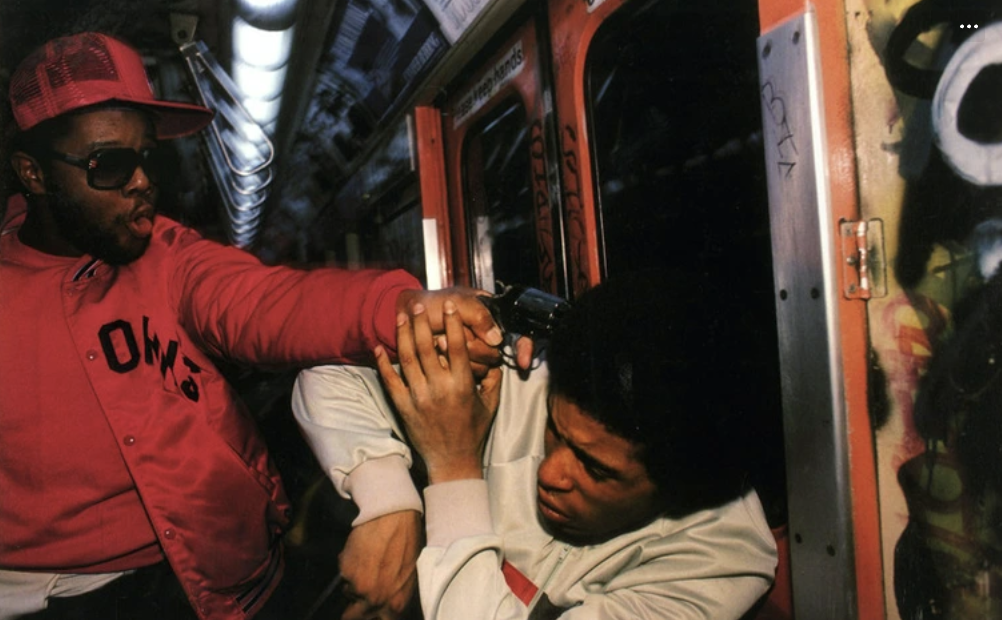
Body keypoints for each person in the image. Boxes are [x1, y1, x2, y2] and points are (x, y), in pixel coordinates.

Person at [0, 31, 508, 620]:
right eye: (109, 164)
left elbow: (269, 303)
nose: (141, 181)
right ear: (33, 175)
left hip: (232, 583)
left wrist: (406, 310)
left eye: (147, 157)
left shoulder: (169, 257)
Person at [293, 272, 779, 619]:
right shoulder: (527, 380)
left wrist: (454, 466)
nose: (551, 473)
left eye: (597, 469)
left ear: (680, 495)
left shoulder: (717, 564)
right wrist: (389, 502)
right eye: (555, 430)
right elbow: (332, 375)